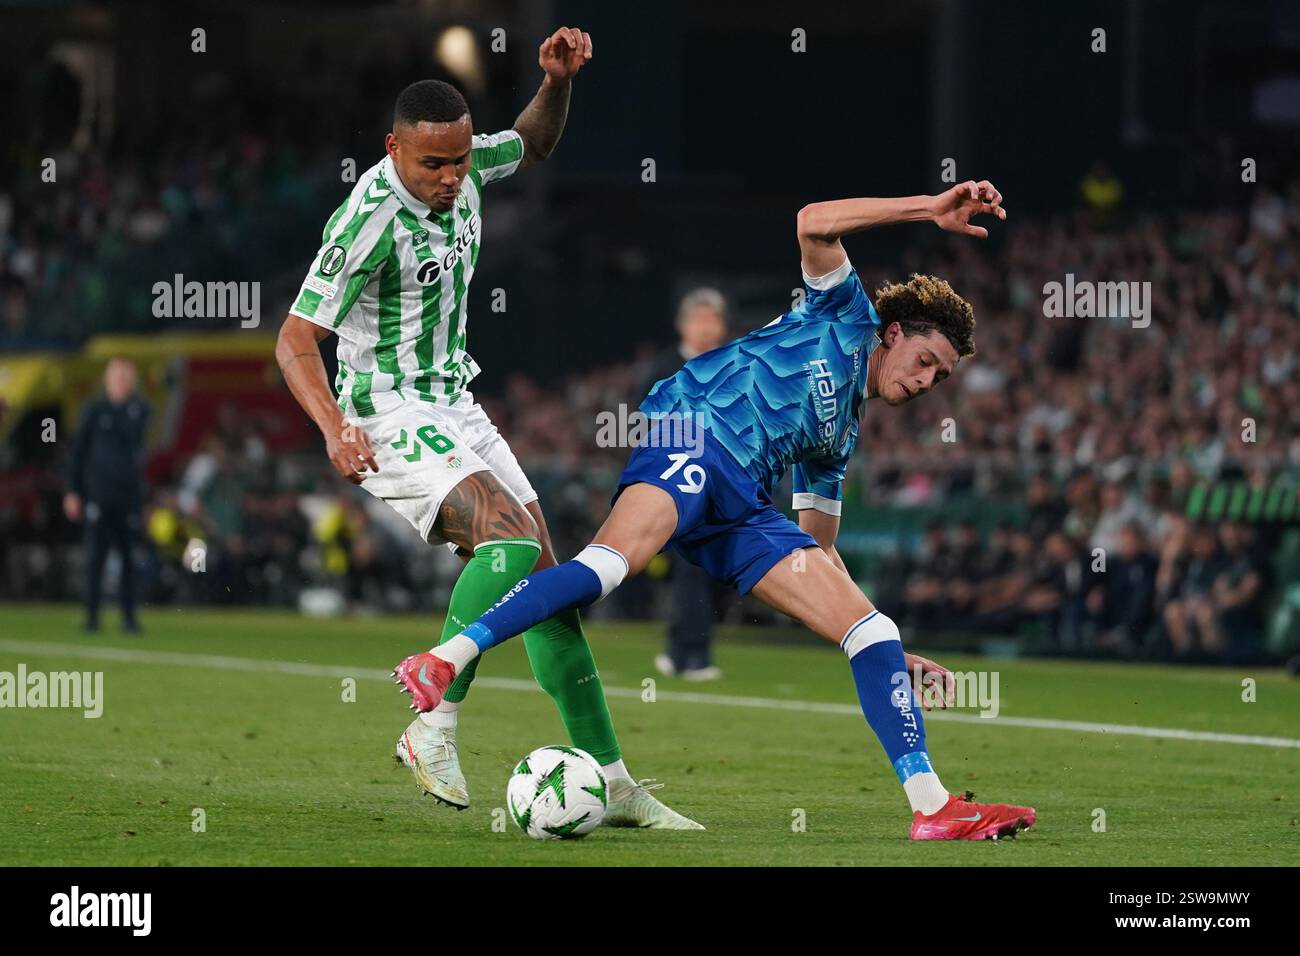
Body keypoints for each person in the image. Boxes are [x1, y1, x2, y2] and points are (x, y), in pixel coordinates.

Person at [395, 180, 1038, 840]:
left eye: (941, 378)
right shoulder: (845, 315)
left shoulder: (840, 434)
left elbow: (819, 551)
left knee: (872, 630)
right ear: (895, 333)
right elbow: (812, 220)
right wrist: (926, 209)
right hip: (693, 431)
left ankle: (933, 808)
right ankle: (443, 660)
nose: (927, 381)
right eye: (926, 360)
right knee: (608, 568)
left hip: (739, 505)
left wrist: (884, 650)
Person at [276, 27, 699, 829]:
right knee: (505, 546)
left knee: (550, 593)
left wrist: (556, 83)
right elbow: (296, 339)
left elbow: (532, 145)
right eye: (430, 163)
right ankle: (431, 722)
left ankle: (611, 782)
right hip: (386, 407)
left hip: (456, 403)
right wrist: (333, 428)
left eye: (459, 160)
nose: (449, 176)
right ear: (393, 148)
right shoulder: (366, 216)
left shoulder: (469, 165)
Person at [638, 288, 730, 680]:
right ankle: (691, 654)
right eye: (700, 319)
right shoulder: (662, 368)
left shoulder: (733, 364)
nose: (708, 328)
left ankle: (681, 650)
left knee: (709, 568)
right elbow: (642, 423)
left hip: (724, 478)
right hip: (673, 478)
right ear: (683, 324)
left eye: (714, 319)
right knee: (690, 566)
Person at [65, 357, 150, 633]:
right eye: (118, 375)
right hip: (98, 496)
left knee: (129, 559)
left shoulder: (139, 410)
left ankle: (129, 617)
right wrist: (73, 491)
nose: (123, 380)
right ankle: (91, 616)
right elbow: (78, 454)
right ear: (107, 379)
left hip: (128, 497)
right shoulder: (93, 411)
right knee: (96, 559)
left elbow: (138, 448)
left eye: (127, 375)